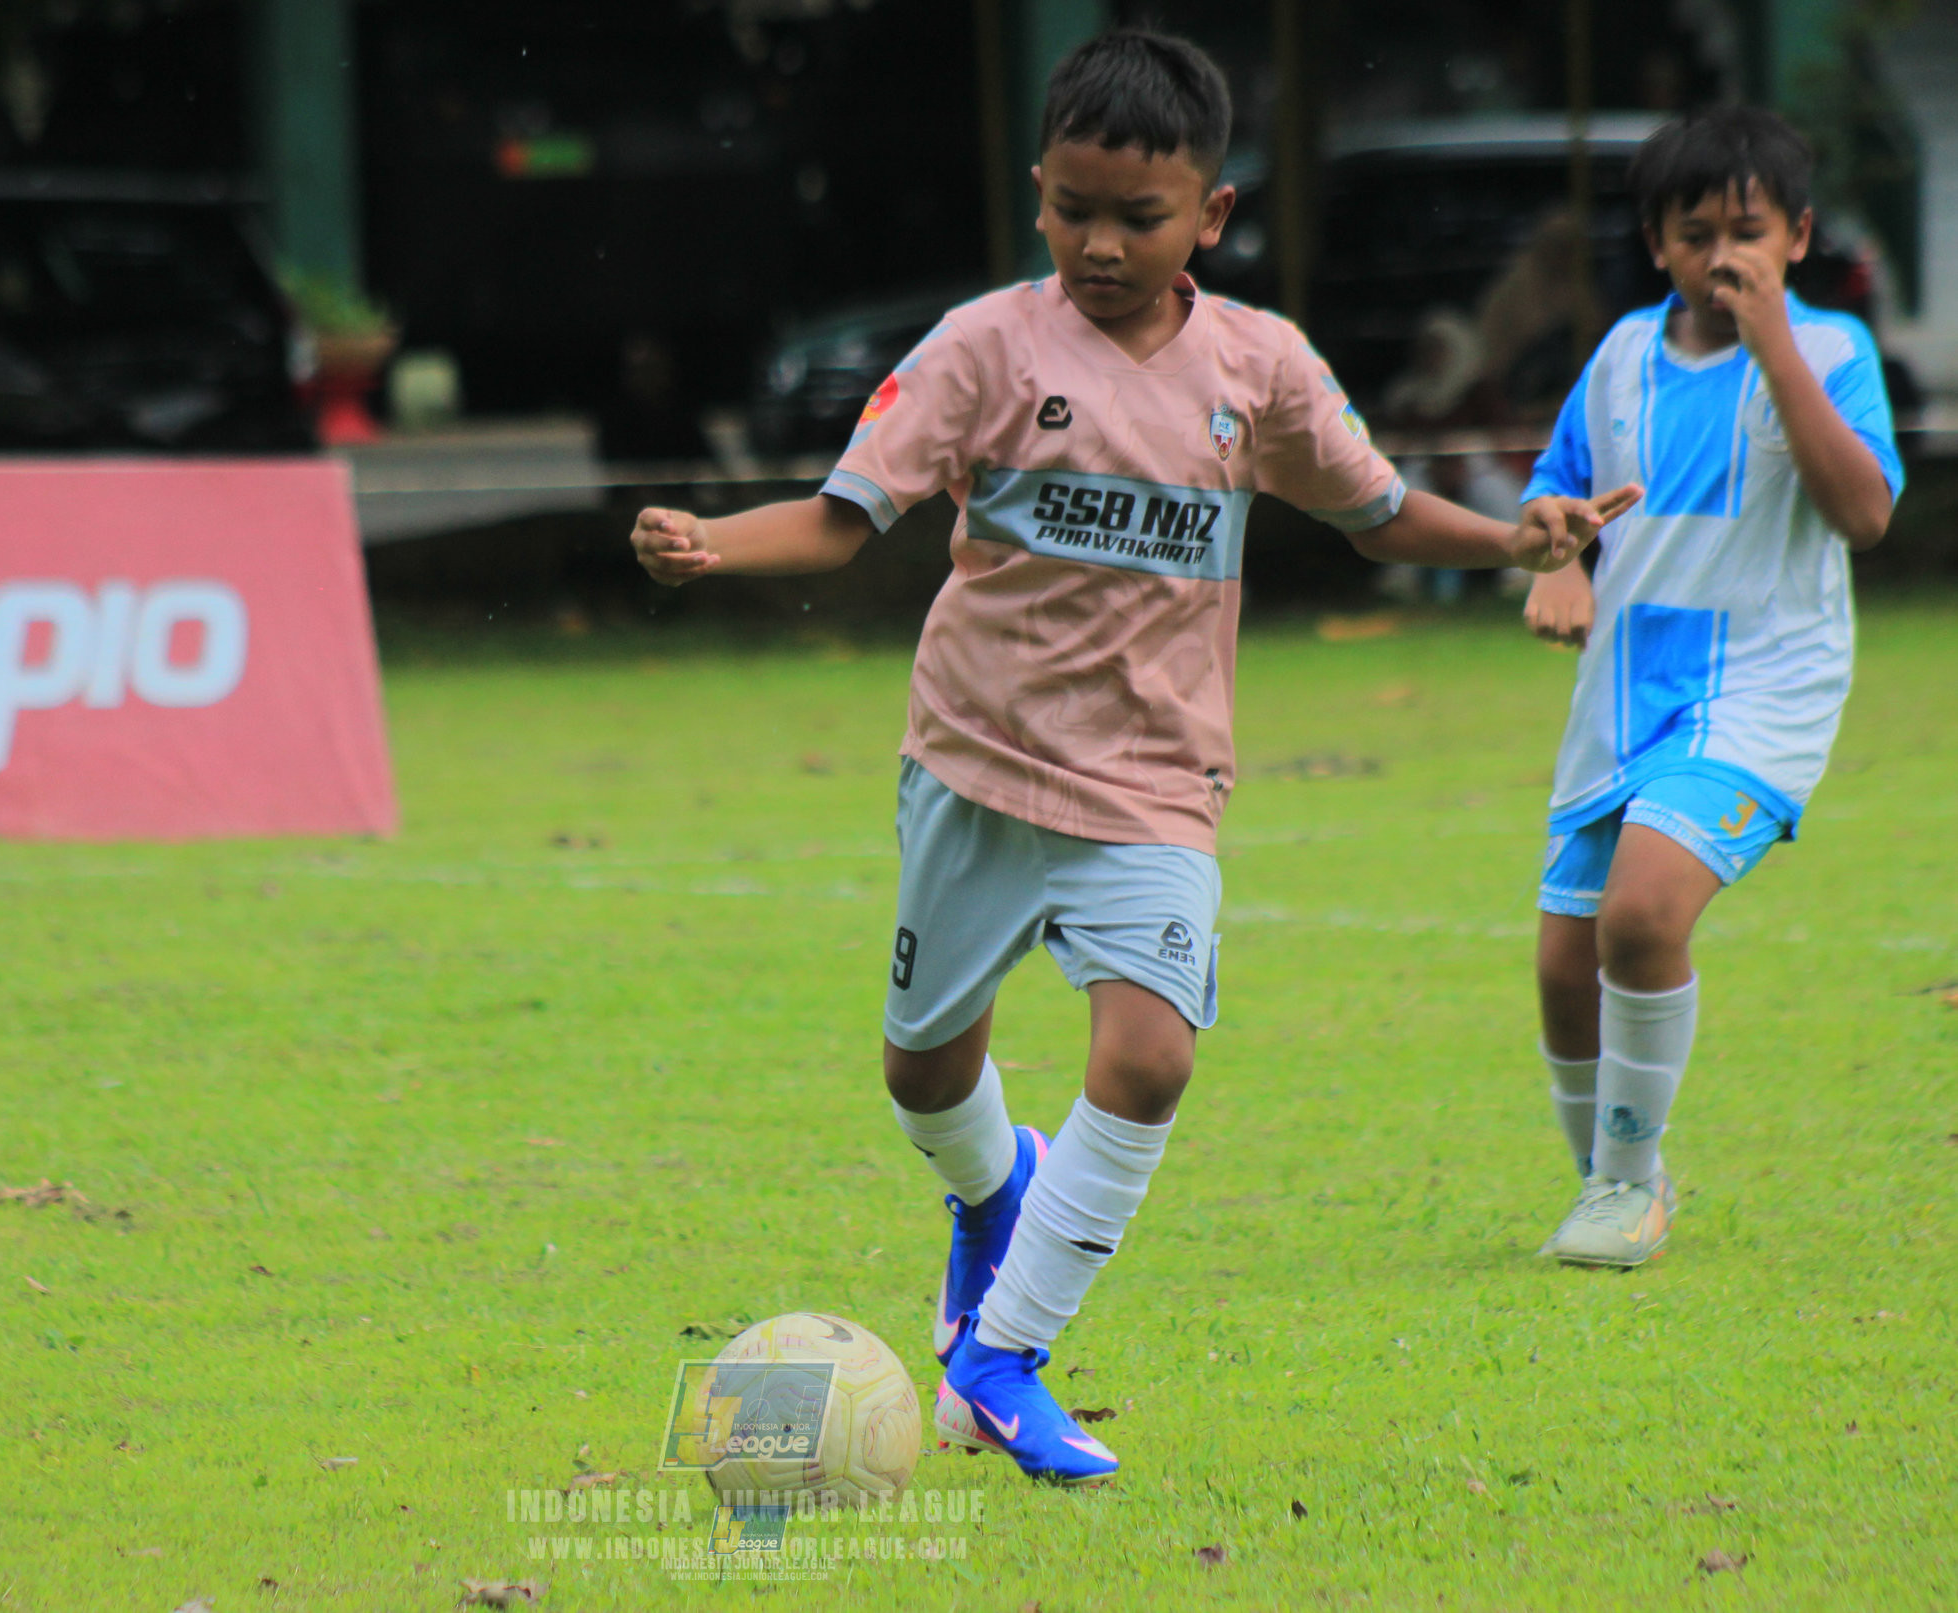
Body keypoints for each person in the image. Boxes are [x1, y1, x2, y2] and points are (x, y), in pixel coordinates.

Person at [632, 29, 1630, 1483]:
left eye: (1137, 217)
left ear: (1207, 217)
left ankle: (1001, 1355)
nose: (1099, 244)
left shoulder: (1258, 367)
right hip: (971, 763)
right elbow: (848, 516)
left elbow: (1372, 509)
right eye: (1071, 209)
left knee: (1148, 1056)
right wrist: (709, 543)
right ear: (1037, 190)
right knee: (921, 1075)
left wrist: (1503, 540)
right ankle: (994, 1191)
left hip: (1152, 785)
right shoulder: (978, 350)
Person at [1519, 107, 1900, 1268]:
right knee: (1560, 963)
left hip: (1762, 690)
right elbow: (1558, 495)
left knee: (1641, 914)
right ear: (1656, 244)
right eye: (1697, 234)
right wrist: (1558, 558)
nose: (1721, 256)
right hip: (1623, 692)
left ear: (1797, 235)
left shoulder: (1830, 351)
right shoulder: (1622, 356)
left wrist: (1774, 342)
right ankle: (1607, 1180)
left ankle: (1628, 1185)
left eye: (1747, 230)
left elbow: (1865, 512)